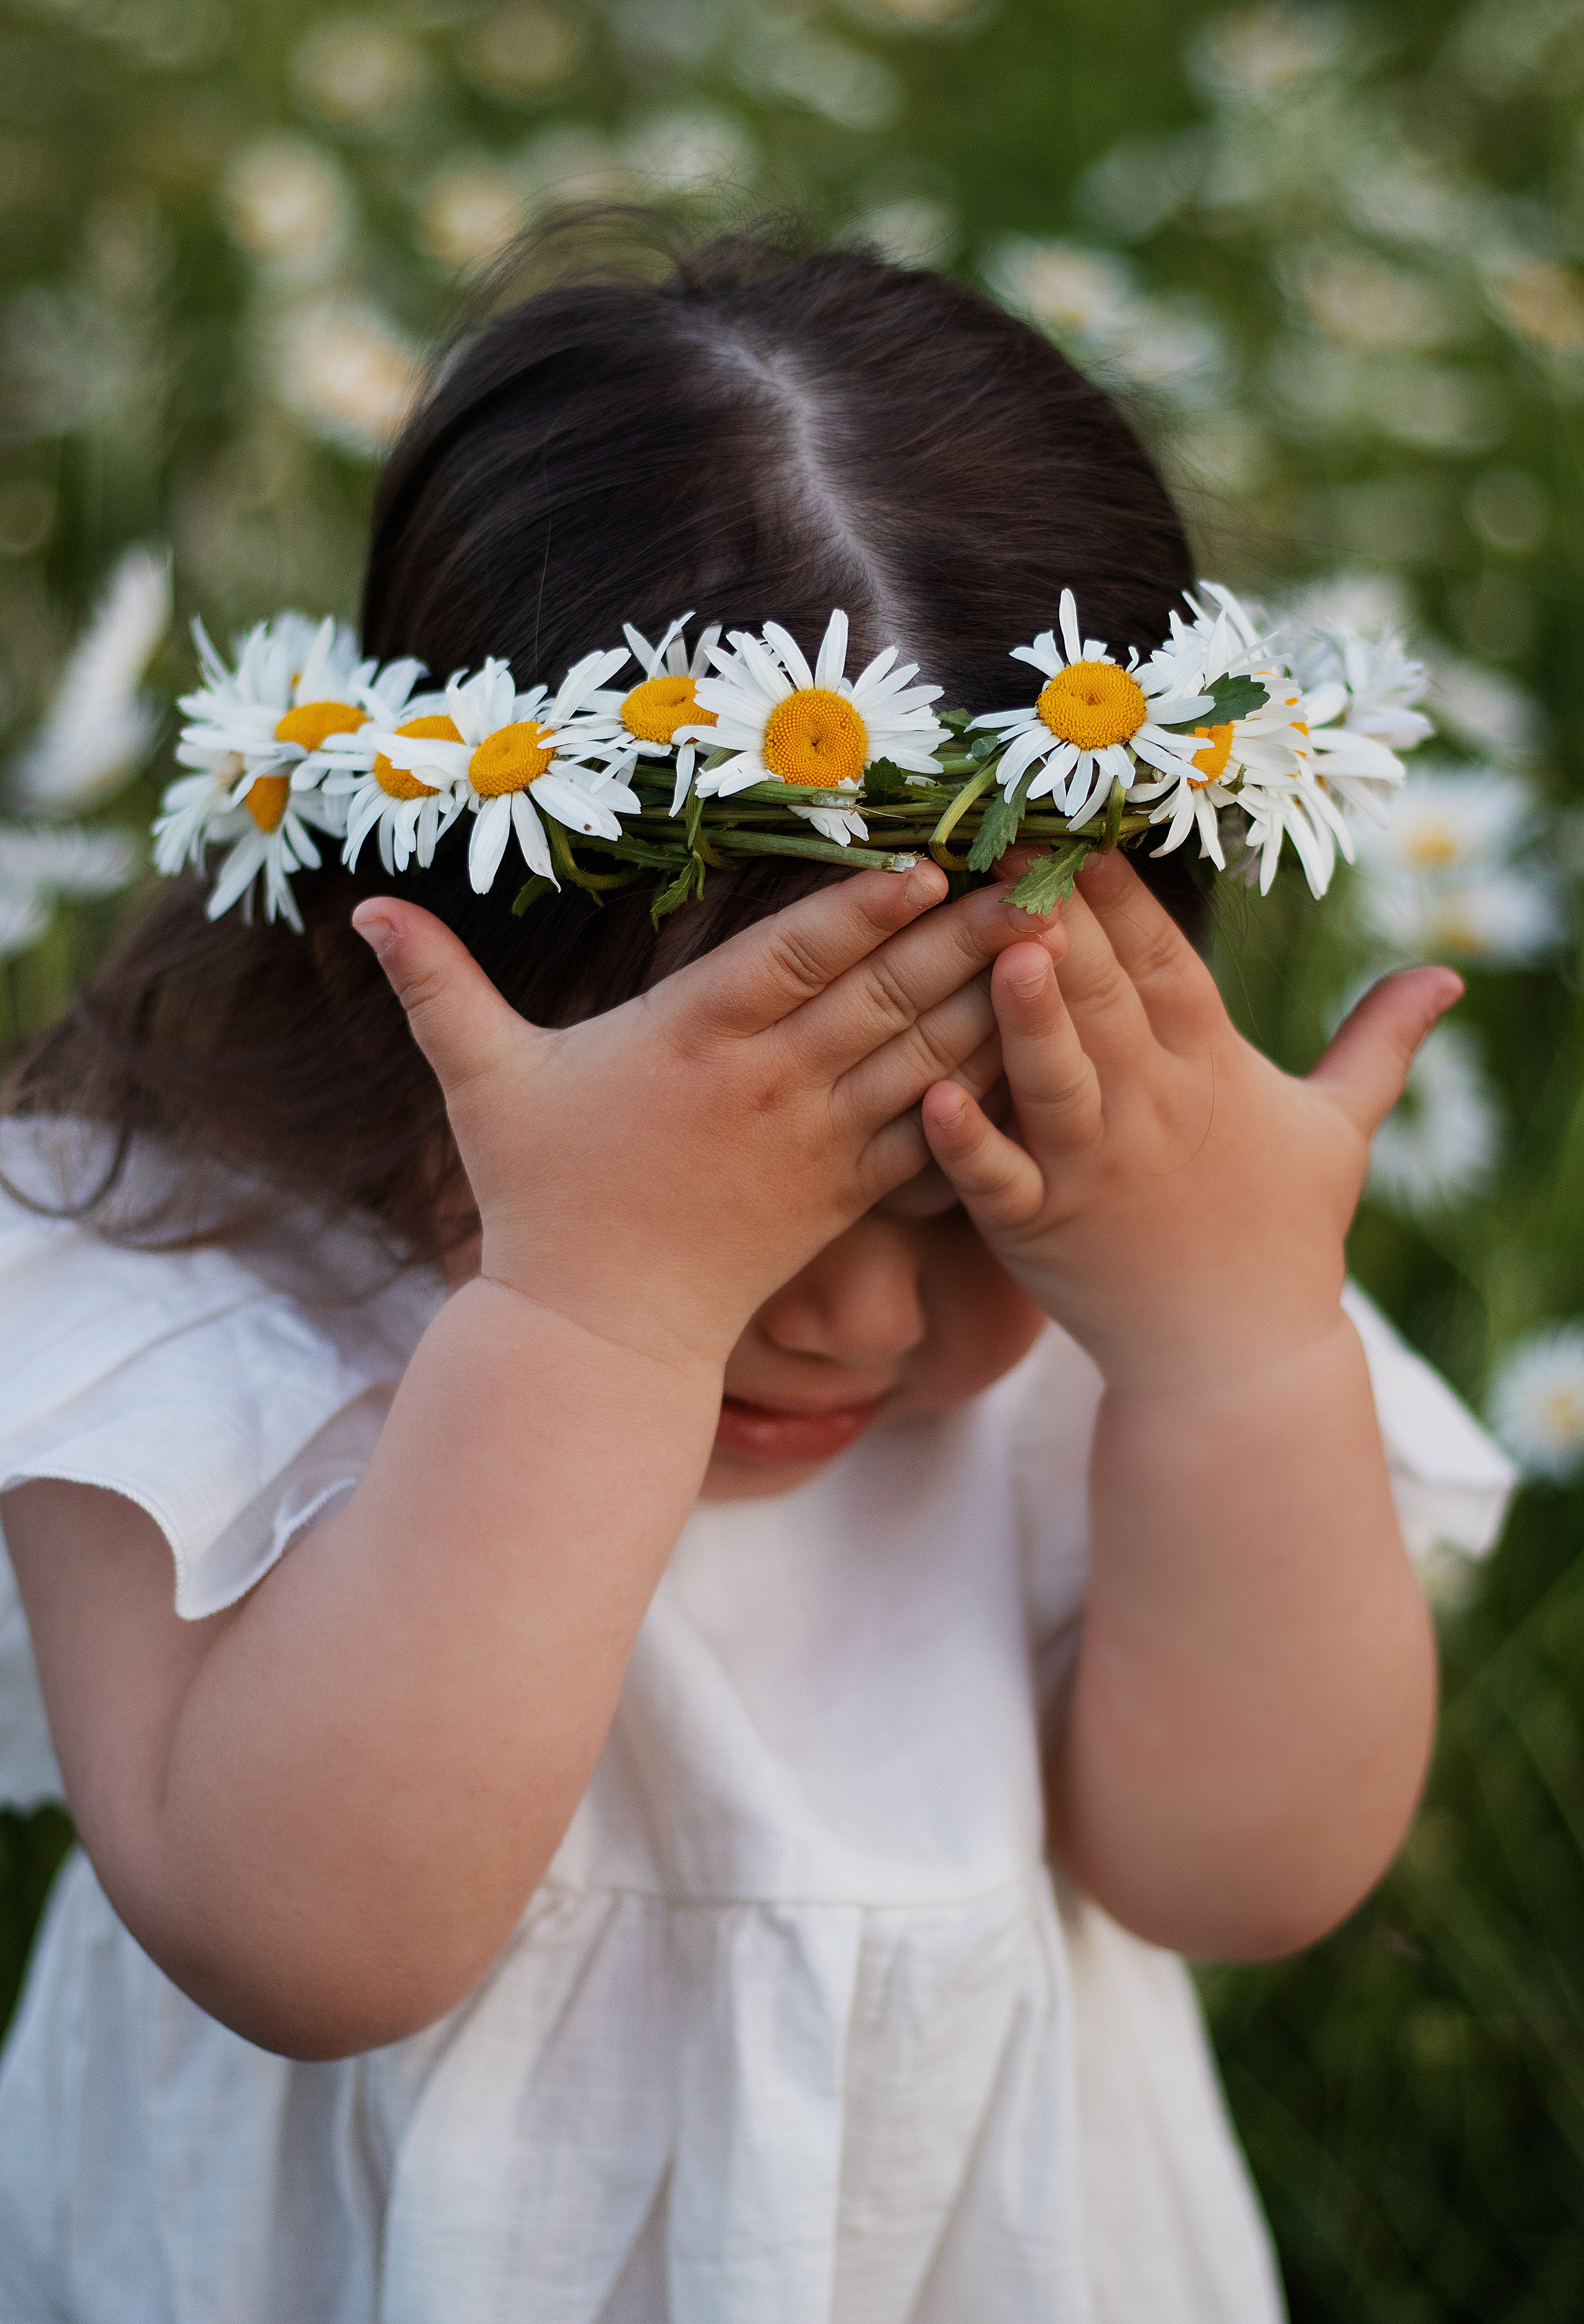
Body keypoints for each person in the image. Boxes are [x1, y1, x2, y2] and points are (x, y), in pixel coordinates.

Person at [0, 228, 1514, 2322]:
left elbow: (1237, 1874)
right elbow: (312, 1946)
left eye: (954, 1203)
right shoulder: (180, 1295)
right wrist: (589, 1316)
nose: (852, 1323)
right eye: (743, 1212)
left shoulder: (1136, 1283)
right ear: (404, 981)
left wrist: (1245, 1356)